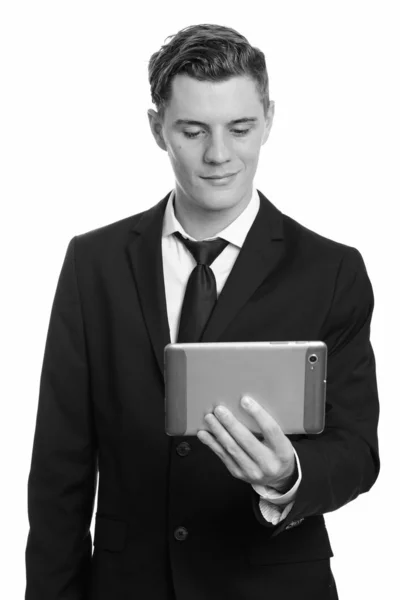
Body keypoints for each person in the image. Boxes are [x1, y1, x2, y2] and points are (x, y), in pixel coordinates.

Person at [25, 23, 380, 600]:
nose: (219, 155)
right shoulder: (93, 262)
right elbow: (58, 465)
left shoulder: (331, 270)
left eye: (240, 129)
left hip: (274, 585)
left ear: (269, 119)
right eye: (193, 130)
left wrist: (288, 476)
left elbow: (357, 448)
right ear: (157, 129)